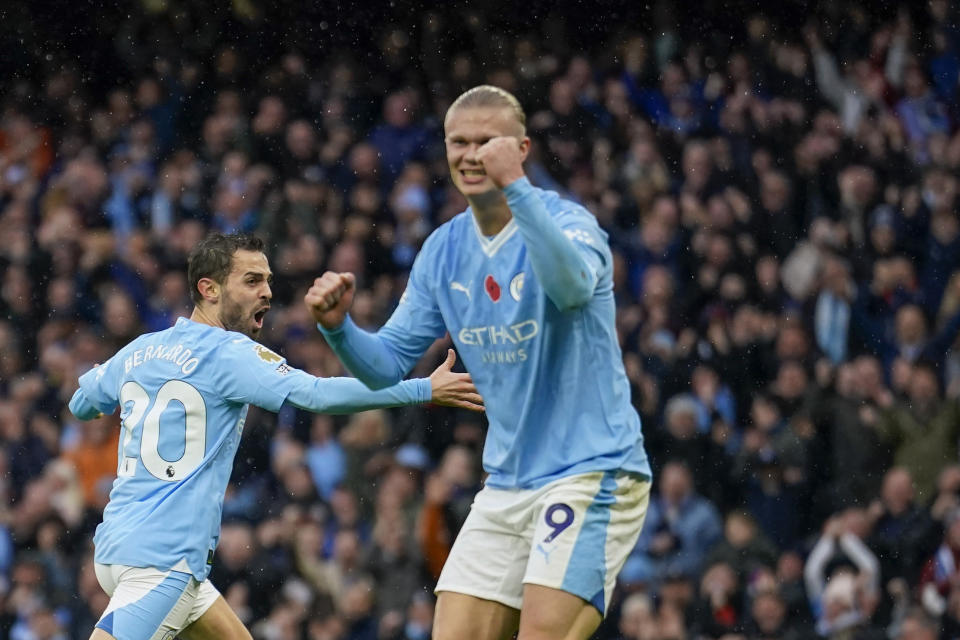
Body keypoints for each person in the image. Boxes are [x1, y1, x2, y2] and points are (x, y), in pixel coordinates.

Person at [310, 85, 652, 640]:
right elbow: (388, 365)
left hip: (591, 470)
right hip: (507, 482)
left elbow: (568, 289)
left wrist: (516, 188)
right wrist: (338, 328)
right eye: (458, 142)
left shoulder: (571, 223)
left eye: (487, 141)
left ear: (522, 148)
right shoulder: (444, 249)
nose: (471, 155)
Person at [68, 232, 482, 640]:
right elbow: (317, 394)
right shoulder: (229, 353)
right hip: (162, 565)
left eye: (267, 280)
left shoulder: (141, 349)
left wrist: (112, 402)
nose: (267, 292)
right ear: (208, 289)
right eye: (251, 281)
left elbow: (80, 403)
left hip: (118, 550)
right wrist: (423, 389)